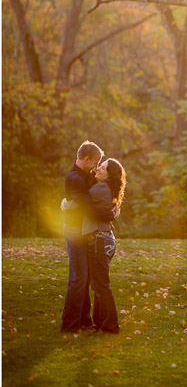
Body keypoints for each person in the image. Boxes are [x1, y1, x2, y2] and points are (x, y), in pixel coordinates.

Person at [60, 140, 117, 333]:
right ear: (86, 159)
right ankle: (69, 324)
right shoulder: (74, 178)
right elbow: (90, 209)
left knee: (85, 278)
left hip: (85, 232)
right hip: (75, 232)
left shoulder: (86, 175)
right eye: (95, 161)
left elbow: (99, 198)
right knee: (79, 277)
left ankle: (84, 320)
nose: (96, 166)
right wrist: (110, 215)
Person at [82, 158, 126, 333]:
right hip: (106, 239)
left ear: (109, 175)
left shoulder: (100, 188)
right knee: (100, 284)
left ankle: (110, 326)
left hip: (99, 240)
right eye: (100, 165)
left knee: (101, 285)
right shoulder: (107, 189)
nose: (98, 168)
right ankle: (100, 323)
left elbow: (81, 201)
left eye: (103, 168)